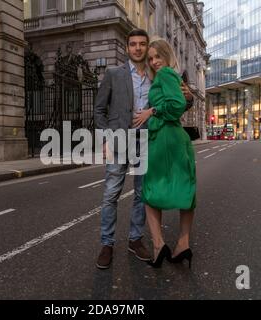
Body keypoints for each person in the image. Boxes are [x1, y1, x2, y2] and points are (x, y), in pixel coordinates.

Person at [94, 30, 193, 270]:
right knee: (111, 194)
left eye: (142, 44)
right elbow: (99, 109)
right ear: (127, 47)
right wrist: (106, 137)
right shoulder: (114, 74)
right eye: (133, 44)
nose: (138, 48)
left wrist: (189, 95)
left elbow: (182, 99)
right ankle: (107, 244)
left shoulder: (155, 73)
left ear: (147, 48)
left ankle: (135, 240)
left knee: (142, 195)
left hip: (149, 141)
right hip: (120, 140)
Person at [133, 39, 197, 269]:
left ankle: (159, 245)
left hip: (164, 138)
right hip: (172, 138)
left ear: (167, 55)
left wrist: (152, 110)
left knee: (150, 191)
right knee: (184, 187)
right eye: (151, 59)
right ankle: (183, 244)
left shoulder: (166, 74)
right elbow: (182, 100)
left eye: (157, 56)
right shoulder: (170, 75)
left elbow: (176, 104)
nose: (154, 61)